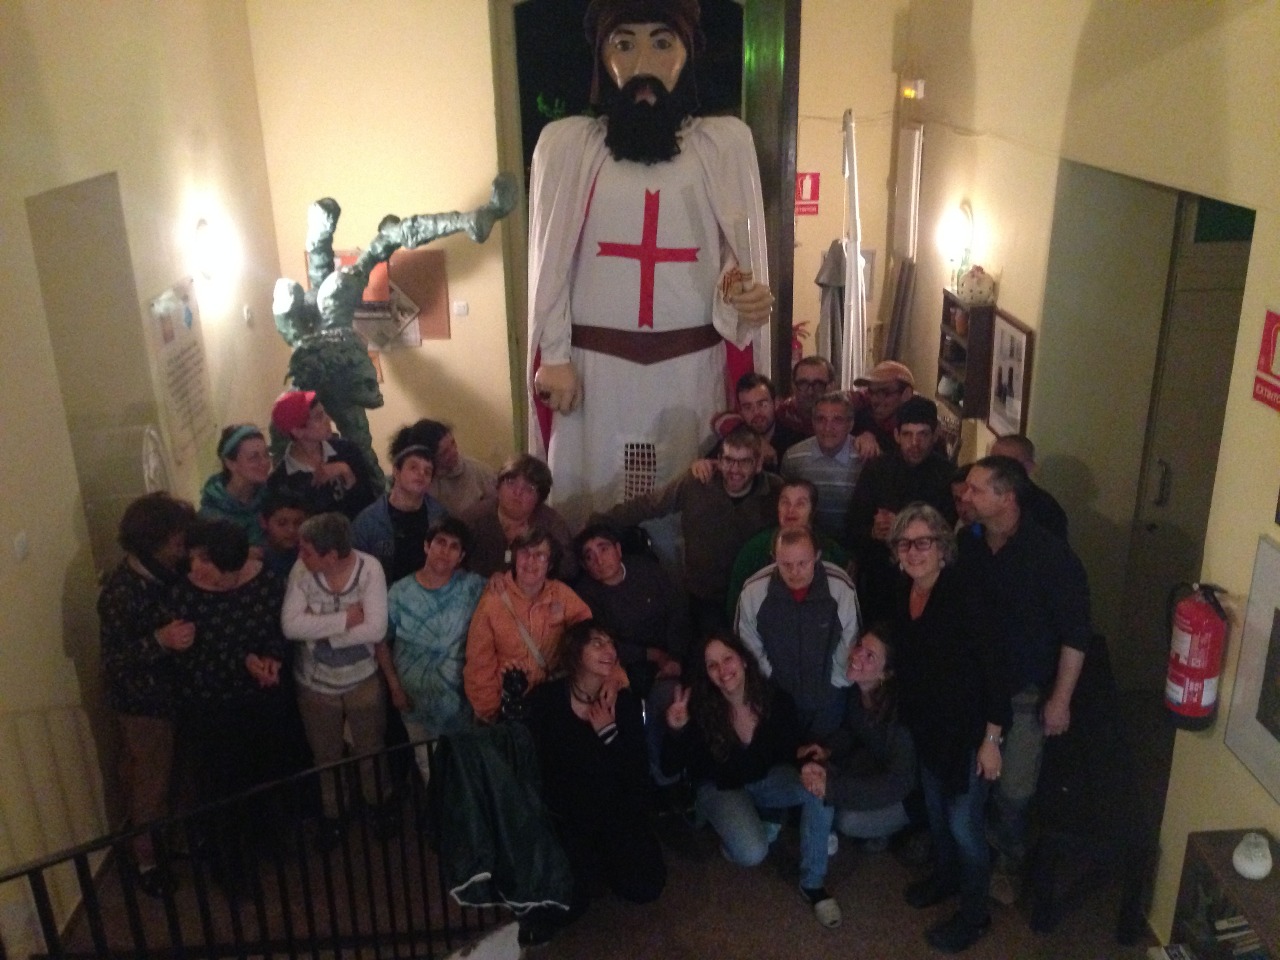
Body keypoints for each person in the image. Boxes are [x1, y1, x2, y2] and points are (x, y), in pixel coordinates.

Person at [526, 0, 772, 528]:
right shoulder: (567, 149)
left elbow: (736, 254)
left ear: (687, 54)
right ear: (602, 57)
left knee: (685, 507)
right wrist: (555, 354)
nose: (643, 62)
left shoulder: (722, 146)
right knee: (588, 504)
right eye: (624, 43)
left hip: (690, 372)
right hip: (596, 375)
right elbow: (552, 265)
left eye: (662, 43)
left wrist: (741, 292)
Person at [959, 456, 1090, 906]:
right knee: (968, 775)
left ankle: (1007, 857)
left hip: (1025, 691)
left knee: (1015, 787)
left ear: (1006, 498)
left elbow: (1076, 634)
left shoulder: (1052, 557)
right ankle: (967, 850)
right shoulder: (969, 543)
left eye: (976, 490)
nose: (965, 496)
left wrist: (1061, 699)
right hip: (973, 686)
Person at [889, 503, 1009, 953]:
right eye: (905, 543)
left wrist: (992, 740)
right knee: (938, 815)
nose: (914, 551)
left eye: (924, 542)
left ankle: (975, 916)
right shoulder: (904, 592)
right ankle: (945, 878)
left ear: (943, 548)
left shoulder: (965, 595)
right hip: (929, 729)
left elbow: (996, 672)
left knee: (963, 826)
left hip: (969, 733)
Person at [663, 633, 841, 928]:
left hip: (764, 779)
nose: (723, 670)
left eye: (728, 659)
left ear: (744, 660)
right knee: (751, 852)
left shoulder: (774, 699)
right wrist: (676, 729)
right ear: (707, 673)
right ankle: (738, 824)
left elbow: (789, 748)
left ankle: (813, 884)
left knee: (821, 784)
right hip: (721, 788)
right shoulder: (699, 708)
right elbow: (670, 768)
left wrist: (810, 761)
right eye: (712, 665)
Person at [169, 518, 303, 886]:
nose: (205, 573)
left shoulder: (266, 582)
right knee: (222, 788)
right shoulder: (183, 594)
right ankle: (231, 866)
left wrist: (272, 657)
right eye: (201, 561)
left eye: (220, 573)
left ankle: (269, 840)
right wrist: (243, 661)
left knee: (266, 772)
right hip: (213, 704)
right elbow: (190, 656)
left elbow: (278, 628)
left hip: (261, 700)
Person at [525, 621, 666, 935]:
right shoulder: (547, 700)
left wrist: (609, 734)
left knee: (647, 884)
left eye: (610, 643)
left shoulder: (624, 704)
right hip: (566, 817)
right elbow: (534, 766)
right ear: (576, 652)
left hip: (613, 811)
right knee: (565, 906)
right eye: (597, 643)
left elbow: (637, 777)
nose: (608, 650)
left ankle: (600, 864)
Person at [98, 492, 196, 896]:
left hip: (174, 693)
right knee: (150, 785)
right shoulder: (121, 592)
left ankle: (174, 842)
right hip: (143, 705)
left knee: (176, 776)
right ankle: (147, 862)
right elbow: (115, 660)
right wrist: (160, 640)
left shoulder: (166, 572)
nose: (183, 547)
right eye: (177, 540)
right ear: (154, 541)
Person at [281, 512, 397, 848]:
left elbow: (375, 629)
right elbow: (290, 626)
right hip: (315, 684)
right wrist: (346, 618)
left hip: (362, 678)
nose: (299, 556)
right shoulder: (301, 571)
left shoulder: (369, 569)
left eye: (307, 551)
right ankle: (334, 813)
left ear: (331, 556)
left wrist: (320, 631)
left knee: (371, 748)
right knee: (325, 755)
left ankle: (378, 805)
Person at [597, 425, 781, 636]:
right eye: (729, 460)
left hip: (753, 596)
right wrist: (600, 524)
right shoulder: (697, 483)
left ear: (758, 464)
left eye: (744, 462)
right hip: (703, 597)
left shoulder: (774, 491)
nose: (735, 469)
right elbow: (650, 504)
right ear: (718, 460)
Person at [573, 522, 691, 782]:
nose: (598, 560)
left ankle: (671, 768)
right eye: (589, 556)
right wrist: (649, 655)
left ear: (618, 549)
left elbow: (678, 610)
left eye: (603, 549)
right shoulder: (586, 593)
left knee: (675, 692)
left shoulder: (646, 570)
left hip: (670, 653)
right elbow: (602, 643)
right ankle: (648, 770)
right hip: (625, 664)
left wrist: (674, 656)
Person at [799, 623, 916, 850]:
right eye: (860, 645)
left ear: (885, 674)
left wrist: (833, 789)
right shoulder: (856, 692)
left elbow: (899, 782)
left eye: (870, 656)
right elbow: (853, 732)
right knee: (819, 772)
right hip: (873, 769)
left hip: (903, 795)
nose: (857, 654)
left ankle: (896, 832)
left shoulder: (899, 717)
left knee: (847, 820)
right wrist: (828, 750)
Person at [386, 517, 485, 784]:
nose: (445, 551)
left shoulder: (473, 587)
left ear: (461, 556)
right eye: (440, 542)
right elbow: (381, 641)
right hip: (415, 703)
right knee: (429, 770)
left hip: (461, 703)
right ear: (426, 546)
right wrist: (394, 686)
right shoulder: (399, 592)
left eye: (454, 547)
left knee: (464, 770)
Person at [735, 526, 858, 741]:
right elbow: (747, 642)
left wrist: (837, 681)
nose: (795, 572)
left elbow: (851, 637)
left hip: (828, 697)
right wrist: (770, 680)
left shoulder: (840, 587)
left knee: (824, 751)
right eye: (786, 564)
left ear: (817, 556)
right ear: (774, 558)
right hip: (778, 699)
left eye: (803, 563)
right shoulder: (753, 592)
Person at [463, 528, 593, 723]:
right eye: (524, 553)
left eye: (540, 555)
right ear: (515, 558)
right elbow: (478, 663)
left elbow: (591, 638)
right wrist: (491, 711)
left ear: (550, 564)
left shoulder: (562, 595)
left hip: (551, 698)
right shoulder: (494, 600)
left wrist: (612, 680)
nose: (531, 561)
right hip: (508, 702)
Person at [847, 396, 956, 624]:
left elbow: (951, 532)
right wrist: (873, 531)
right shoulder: (877, 470)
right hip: (881, 578)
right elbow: (853, 525)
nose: (914, 443)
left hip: (930, 581)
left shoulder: (948, 476)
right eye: (907, 434)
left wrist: (903, 529)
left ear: (935, 434)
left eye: (923, 434)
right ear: (896, 435)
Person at [724, 478, 849, 619]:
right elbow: (736, 605)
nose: (791, 510)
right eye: (785, 502)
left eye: (800, 504)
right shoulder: (755, 549)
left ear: (812, 511)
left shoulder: (830, 550)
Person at [352, 420, 448, 586]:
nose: (421, 474)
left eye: (427, 471)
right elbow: (353, 573)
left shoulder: (440, 516)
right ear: (396, 471)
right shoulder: (368, 522)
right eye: (413, 467)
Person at [460, 454, 577, 582]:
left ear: (539, 498)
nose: (518, 492)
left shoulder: (552, 524)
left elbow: (568, 569)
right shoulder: (474, 517)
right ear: (498, 487)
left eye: (529, 488)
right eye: (511, 483)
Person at [268, 389, 380, 521]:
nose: (328, 419)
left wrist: (346, 472)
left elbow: (370, 507)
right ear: (297, 431)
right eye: (318, 417)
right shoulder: (281, 481)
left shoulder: (347, 450)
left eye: (324, 412)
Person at [781, 391, 864, 543]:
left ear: (850, 424)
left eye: (837, 420)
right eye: (821, 419)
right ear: (812, 422)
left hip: (854, 544)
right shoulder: (794, 457)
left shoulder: (864, 457)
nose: (828, 427)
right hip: (806, 542)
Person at [708, 372, 805, 470]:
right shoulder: (736, 435)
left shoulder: (795, 442)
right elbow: (709, 461)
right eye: (747, 407)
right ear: (740, 411)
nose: (756, 412)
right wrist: (703, 465)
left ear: (775, 404)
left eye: (762, 404)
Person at [199, 424, 272, 547]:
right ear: (230, 463)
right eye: (254, 457)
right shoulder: (211, 517)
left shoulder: (271, 496)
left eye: (266, 454)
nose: (264, 462)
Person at [988, 434, 1069, 541]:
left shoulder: (1045, 509)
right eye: (991, 462)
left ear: (1028, 467)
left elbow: (1052, 548)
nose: (994, 470)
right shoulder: (982, 492)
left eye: (1005, 464)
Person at [422, 420, 497, 516]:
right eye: (444, 452)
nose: (453, 452)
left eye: (453, 443)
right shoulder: (423, 479)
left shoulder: (477, 471)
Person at [850, 360, 916, 457]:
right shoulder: (861, 416)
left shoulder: (919, 423)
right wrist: (864, 434)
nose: (874, 400)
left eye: (885, 392)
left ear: (906, 394)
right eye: (871, 392)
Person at [775, 355, 836, 437]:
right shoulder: (782, 416)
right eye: (803, 384)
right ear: (793, 386)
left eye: (818, 384)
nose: (810, 392)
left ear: (831, 386)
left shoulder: (846, 415)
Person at [258, 488, 309, 579]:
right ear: (264, 522)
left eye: (298, 523)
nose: (291, 530)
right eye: (282, 523)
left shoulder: (311, 556)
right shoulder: (255, 558)